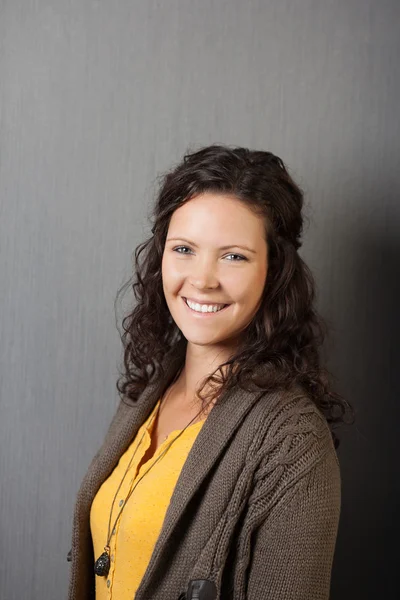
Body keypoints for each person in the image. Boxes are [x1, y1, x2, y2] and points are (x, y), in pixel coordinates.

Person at [67, 144, 353, 600]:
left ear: (273, 271)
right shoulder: (148, 391)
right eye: (184, 249)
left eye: (233, 256)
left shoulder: (294, 443)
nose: (202, 279)